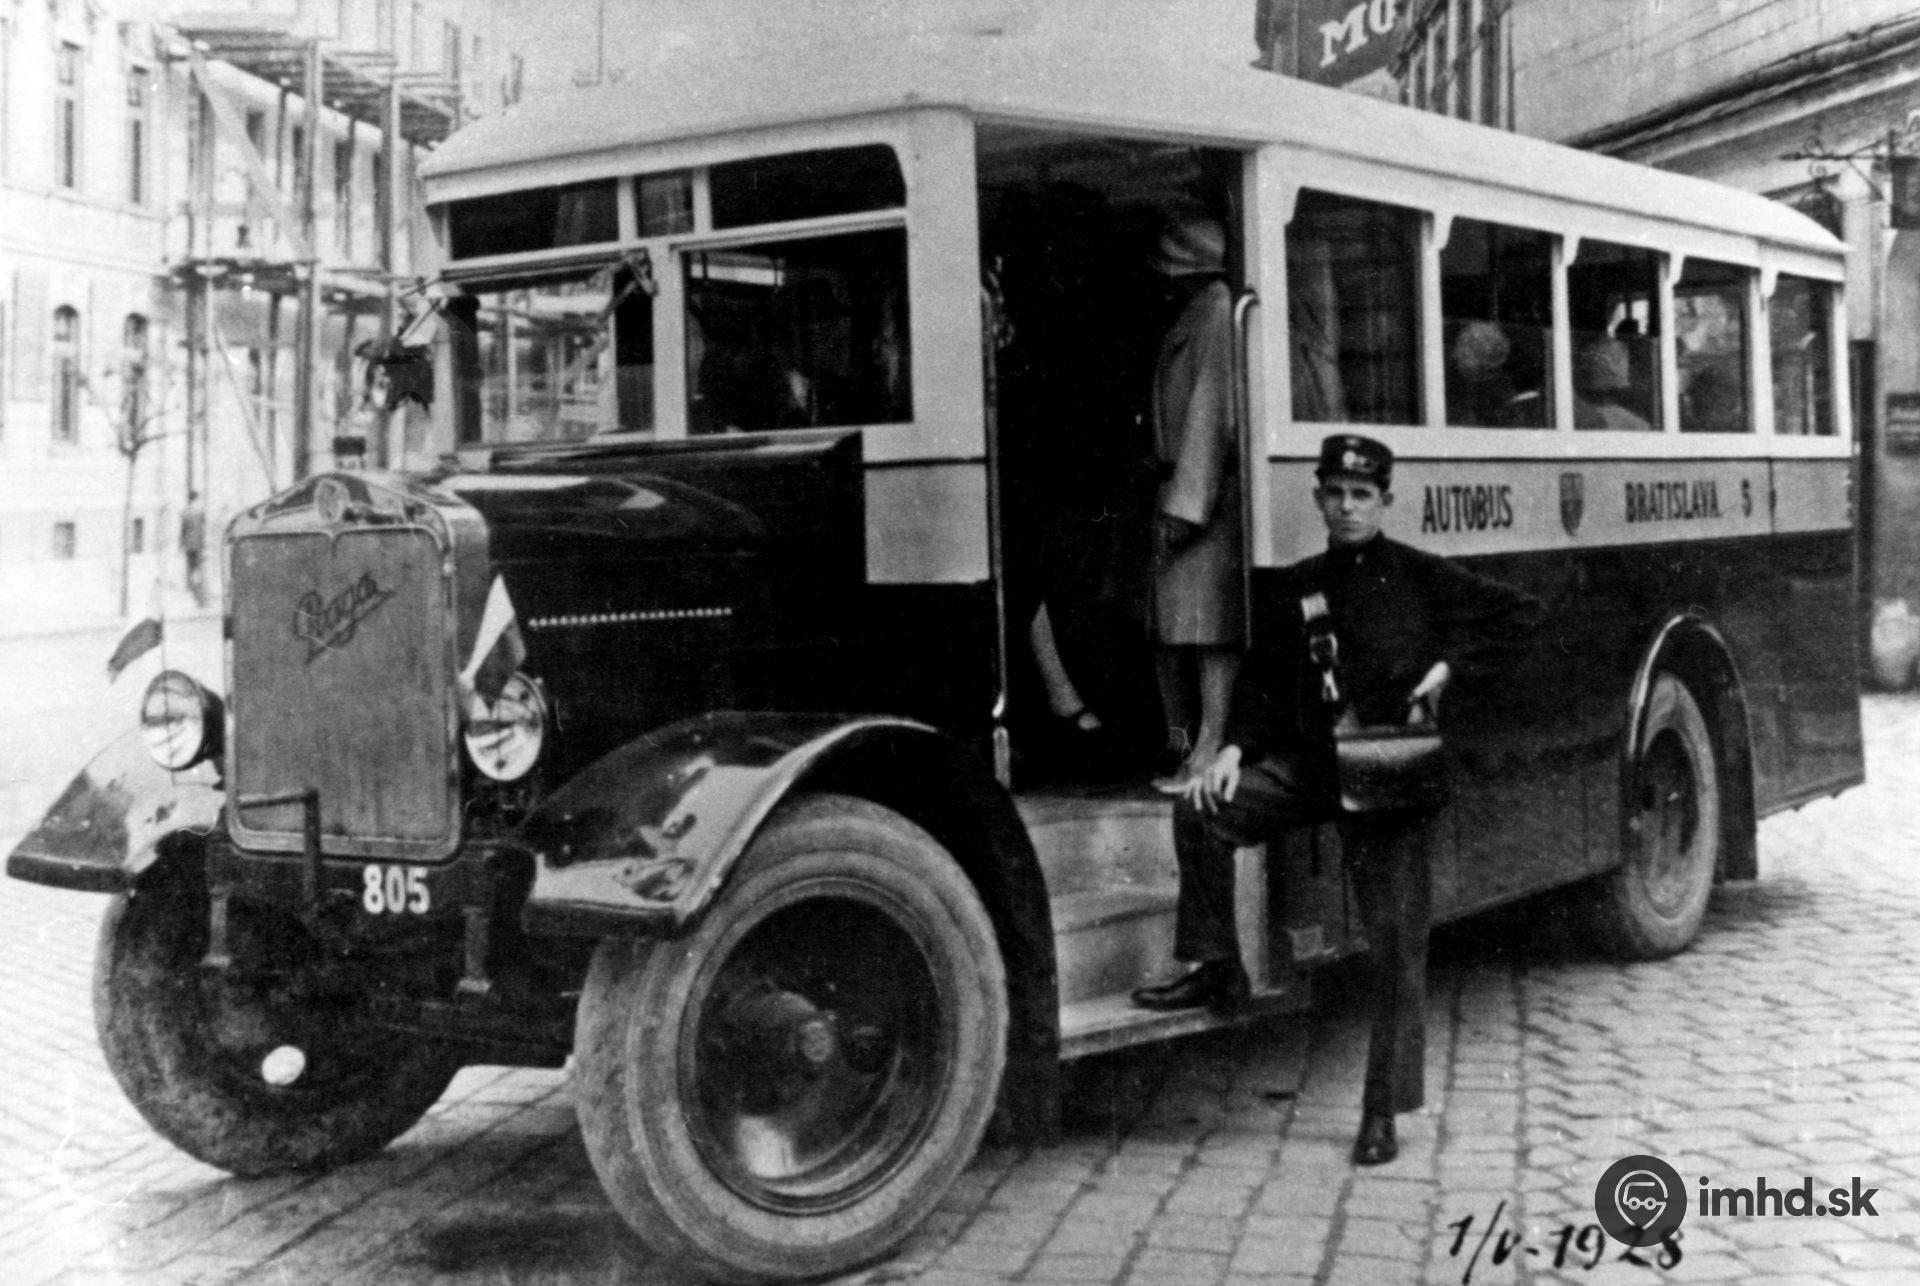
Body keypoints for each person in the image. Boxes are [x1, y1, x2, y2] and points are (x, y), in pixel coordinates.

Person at [1131, 433, 1544, 1167]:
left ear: (1386, 502)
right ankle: (1218, 967)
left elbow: (1523, 616)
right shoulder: (1300, 584)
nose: (1348, 506)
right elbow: (1261, 680)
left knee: (1396, 947)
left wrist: (1449, 667)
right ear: (1319, 499)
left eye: (1362, 495)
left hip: (1387, 773)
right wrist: (1231, 750)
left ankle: (1381, 1110)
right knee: (1201, 809)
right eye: (1336, 494)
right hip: (1311, 767)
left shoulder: (1420, 575)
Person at [1148, 207, 1242, 791]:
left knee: (1209, 630)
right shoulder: (1204, 312)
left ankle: (1206, 750)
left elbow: (1212, 413)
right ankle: (1189, 745)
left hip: (1201, 493)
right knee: (1182, 627)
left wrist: (1187, 507)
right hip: (1184, 485)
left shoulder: (1214, 314)